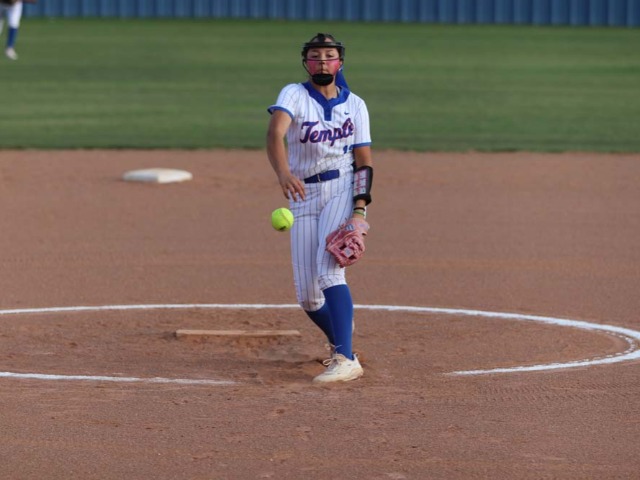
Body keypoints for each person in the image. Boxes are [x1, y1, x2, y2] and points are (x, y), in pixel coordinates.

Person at [266, 33, 374, 384]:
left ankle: (346, 357)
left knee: (329, 272)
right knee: (308, 297)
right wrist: (283, 173)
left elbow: (364, 161)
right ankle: (341, 333)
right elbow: (275, 133)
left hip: (341, 187)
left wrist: (359, 211)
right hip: (303, 195)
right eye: (315, 56)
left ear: (340, 62)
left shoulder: (355, 104)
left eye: (329, 55)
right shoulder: (293, 94)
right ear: (306, 62)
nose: (323, 61)